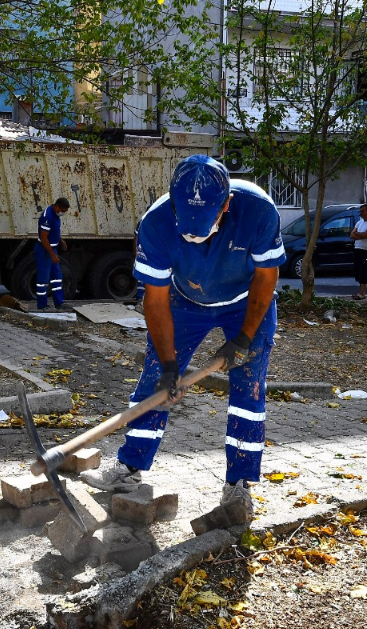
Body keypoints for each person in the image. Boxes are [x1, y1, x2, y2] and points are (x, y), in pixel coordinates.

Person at [79, 155, 284, 531]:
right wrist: (170, 364)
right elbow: (155, 300)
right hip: (184, 301)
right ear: (173, 201)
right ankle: (129, 467)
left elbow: (266, 279)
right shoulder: (155, 223)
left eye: (201, 229)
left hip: (246, 302)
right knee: (155, 378)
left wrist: (243, 338)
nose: (192, 237)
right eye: (186, 227)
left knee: (248, 389)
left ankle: (239, 484)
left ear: (225, 205)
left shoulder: (258, 210)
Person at [35, 198, 71, 310]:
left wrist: (61, 240)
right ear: (57, 206)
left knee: (56, 277)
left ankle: (59, 303)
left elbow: (53, 231)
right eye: (62, 211)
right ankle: (42, 305)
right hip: (44, 250)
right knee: (43, 280)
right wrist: (52, 255)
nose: (63, 213)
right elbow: (44, 238)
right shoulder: (48, 216)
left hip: (52, 249)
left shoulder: (55, 215)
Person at [348, 203, 367, 300]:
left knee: (364, 270)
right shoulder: (359, 222)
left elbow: (366, 235)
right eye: (360, 211)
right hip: (357, 248)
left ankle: (362, 292)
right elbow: (351, 235)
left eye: (362, 211)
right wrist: (359, 235)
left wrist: (358, 234)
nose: (360, 213)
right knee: (357, 270)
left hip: (366, 250)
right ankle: (360, 290)